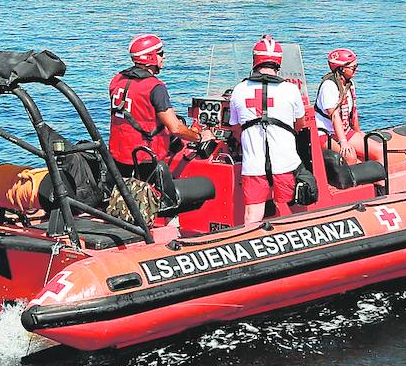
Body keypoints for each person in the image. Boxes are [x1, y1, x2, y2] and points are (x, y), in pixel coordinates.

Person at [108, 33, 211, 182]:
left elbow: (137, 112)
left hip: (119, 156)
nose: (164, 57)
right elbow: (175, 128)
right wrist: (200, 137)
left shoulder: (117, 80)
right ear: (150, 57)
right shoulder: (155, 87)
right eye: (160, 53)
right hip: (145, 159)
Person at [229, 36, 306, 225]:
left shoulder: (239, 90)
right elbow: (300, 124)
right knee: (291, 211)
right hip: (285, 163)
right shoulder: (290, 90)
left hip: (253, 164)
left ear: (255, 60)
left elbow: (236, 128)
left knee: (252, 215)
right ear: (278, 61)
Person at [315, 48, 372, 163]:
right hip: (326, 133)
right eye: (353, 68)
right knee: (350, 157)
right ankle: (352, 180)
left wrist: (358, 132)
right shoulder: (329, 86)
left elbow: (353, 112)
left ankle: (380, 181)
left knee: (378, 150)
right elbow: (335, 116)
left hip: (344, 130)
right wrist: (343, 142)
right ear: (341, 69)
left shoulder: (349, 84)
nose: (356, 70)